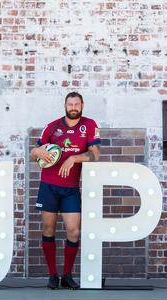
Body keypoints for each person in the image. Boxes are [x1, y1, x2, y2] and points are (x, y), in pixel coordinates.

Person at [31, 92, 101, 289]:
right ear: (65, 105)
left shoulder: (89, 125)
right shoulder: (53, 127)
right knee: (48, 229)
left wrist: (74, 158)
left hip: (71, 189)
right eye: (70, 104)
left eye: (76, 104)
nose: (73, 107)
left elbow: (95, 156)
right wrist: (38, 152)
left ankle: (67, 275)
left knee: (74, 230)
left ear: (82, 105)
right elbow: (33, 152)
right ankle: (53, 275)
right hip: (49, 186)